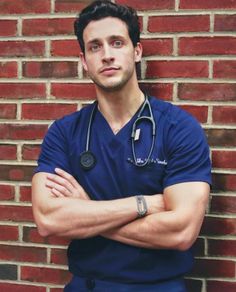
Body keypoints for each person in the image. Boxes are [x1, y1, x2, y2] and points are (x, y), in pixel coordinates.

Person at [31, 1, 212, 291]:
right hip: (86, 285)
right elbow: (48, 219)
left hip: (157, 287)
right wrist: (143, 204)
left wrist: (86, 211)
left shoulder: (179, 129)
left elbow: (181, 231)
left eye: (117, 43)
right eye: (95, 46)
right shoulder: (64, 133)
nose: (107, 56)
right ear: (83, 60)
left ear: (136, 51)